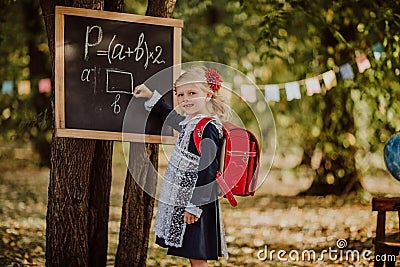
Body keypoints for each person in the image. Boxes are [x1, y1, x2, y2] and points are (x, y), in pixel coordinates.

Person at [133, 67, 229, 267]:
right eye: (180, 95)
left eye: (192, 93)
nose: (185, 99)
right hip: (187, 200)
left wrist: (194, 207)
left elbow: (208, 170)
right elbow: (172, 117)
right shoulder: (191, 122)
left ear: (208, 95)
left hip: (197, 202)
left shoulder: (208, 127)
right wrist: (151, 96)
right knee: (193, 254)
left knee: (197, 255)